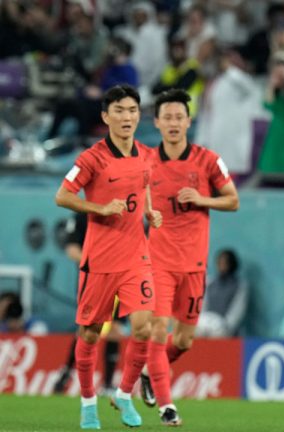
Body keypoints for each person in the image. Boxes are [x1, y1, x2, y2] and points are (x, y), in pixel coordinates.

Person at [54, 84, 162, 430]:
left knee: (143, 327)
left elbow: (143, 186)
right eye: (119, 111)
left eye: (132, 110)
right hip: (99, 261)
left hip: (136, 257)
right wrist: (98, 207)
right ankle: (88, 406)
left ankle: (124, 395)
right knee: (88, 335)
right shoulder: (91, 158)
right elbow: (63, 196)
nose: (127, 117)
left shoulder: (147, 154)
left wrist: (150, 212)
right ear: (106, 117)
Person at [138, 89, 239, 426]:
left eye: (179, 117)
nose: (173, 123)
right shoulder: (145, 163)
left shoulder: (208, 160)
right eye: (166, 117)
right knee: (157, 329)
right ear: (157, 122)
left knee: (183, 340)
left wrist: (201, 199)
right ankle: (168, 406)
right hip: (158, 263)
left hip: (194, 265)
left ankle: (152, 374)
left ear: (188, 121)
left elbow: (232, 201)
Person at [53, 213, 125, 396]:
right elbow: (71, 249)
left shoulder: (125, 213)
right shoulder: (82, 216)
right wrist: (95, 261)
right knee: (86, 329)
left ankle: (108, 384)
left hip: (121, 278)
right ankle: (66, 374)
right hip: (92, 279)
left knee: (115, 329)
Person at [196, 249, 249, 337]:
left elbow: (238, 310)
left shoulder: (240, 285)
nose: (222, 265)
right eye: (220, 262)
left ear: (232, 264)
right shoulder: (209, 282)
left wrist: (227, 326)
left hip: (224, 327)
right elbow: (202, 305)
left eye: (225, 262)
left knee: (218, 332)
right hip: (206, 322)